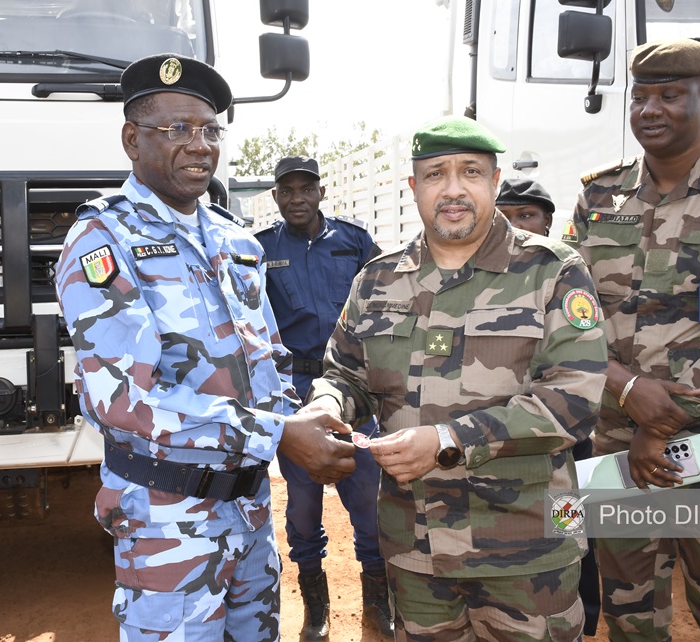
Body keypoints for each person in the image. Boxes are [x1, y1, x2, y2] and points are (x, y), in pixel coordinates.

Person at [54, 53, 357, 642]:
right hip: (168, 518)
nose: (199, 145)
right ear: (131, 139)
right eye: (176, 130)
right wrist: (276, 436)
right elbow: (124, 402)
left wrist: (306, 415)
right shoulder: (101, 238)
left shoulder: (235, 239)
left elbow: (269, 358)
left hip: (248, 509)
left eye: (210, 130)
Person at [304, 114, 608, 641]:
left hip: (526, 550)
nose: (453, 189)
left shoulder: (552, 271)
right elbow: (344, 372)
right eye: (435, 174)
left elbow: (573, 400)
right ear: (413, 187)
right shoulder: (377, 279)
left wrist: (447, 440)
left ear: (494, 182)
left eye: (470, 172)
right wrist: (323, 405)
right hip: (414, 550)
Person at [563, 38, 700, 642]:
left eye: (670, 96)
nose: (650, 109)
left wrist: (662, 420)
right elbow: (569, 316)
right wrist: (626, 391)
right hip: (618, 442)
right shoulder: (600, 196)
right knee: (628, 612)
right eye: (640, 96)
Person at [253, 156, 392, 640]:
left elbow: (385, 299)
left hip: (353, 387)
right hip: (296, 392)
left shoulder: (353, 241)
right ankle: (316, 611)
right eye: (286, 191)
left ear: (319, 192)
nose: (296, 199)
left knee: (368, 502)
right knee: (303, 507)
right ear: (275, 197)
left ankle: (379, 606)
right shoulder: (262, 248)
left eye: (304, 189)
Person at [496, 177, 601, 638]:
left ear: (548, 221)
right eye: (508, 215)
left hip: (562, 444)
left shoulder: (565, 272)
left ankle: (585, 613)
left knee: (569, 534)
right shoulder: (485, 277)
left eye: (528, 215)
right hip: (500, 439)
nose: (518, 224)